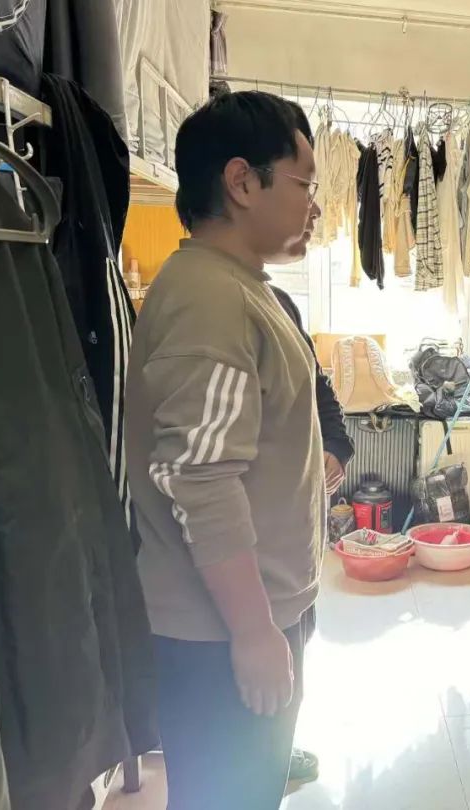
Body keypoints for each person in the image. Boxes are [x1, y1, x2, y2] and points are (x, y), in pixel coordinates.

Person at [125, 90, 325, 809]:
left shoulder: (239, 287)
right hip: (221, 630)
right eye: (303, 183)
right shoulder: (212, 301)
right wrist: (254, 631)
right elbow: (200, 479)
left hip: (251, 612)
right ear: (242, 182)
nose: (314, 206)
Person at [269, 284, 354, 786]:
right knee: (267, 652)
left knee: (298, 637)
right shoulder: (207, 303)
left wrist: (336, 448)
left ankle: (278, 749)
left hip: (299, 527)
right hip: (258, 532)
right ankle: (263, 758)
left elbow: (323, 395)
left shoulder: (280, 303)